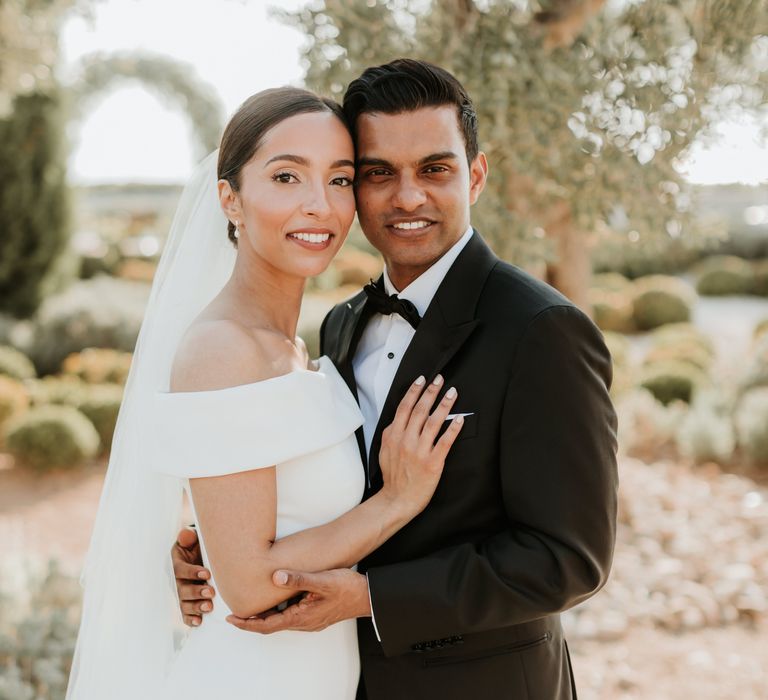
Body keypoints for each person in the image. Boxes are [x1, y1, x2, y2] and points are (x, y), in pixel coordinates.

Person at [174, 59, 619, 699]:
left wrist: (370, 597)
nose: (407, 197)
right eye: (379, 173)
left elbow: (568, 559)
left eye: (434, 169)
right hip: (333, 677)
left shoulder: (541, 330)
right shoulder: (340, 325)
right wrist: (220, 553)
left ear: (477, 176)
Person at [65, 86, 466, 700]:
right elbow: (251, 585)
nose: (320, 206)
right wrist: (395, 502)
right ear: (230, 198)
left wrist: (211, 548)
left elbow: (266, 528)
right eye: (286, 177)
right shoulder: (223, 349)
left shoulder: (304, 345)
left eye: (339, 180)